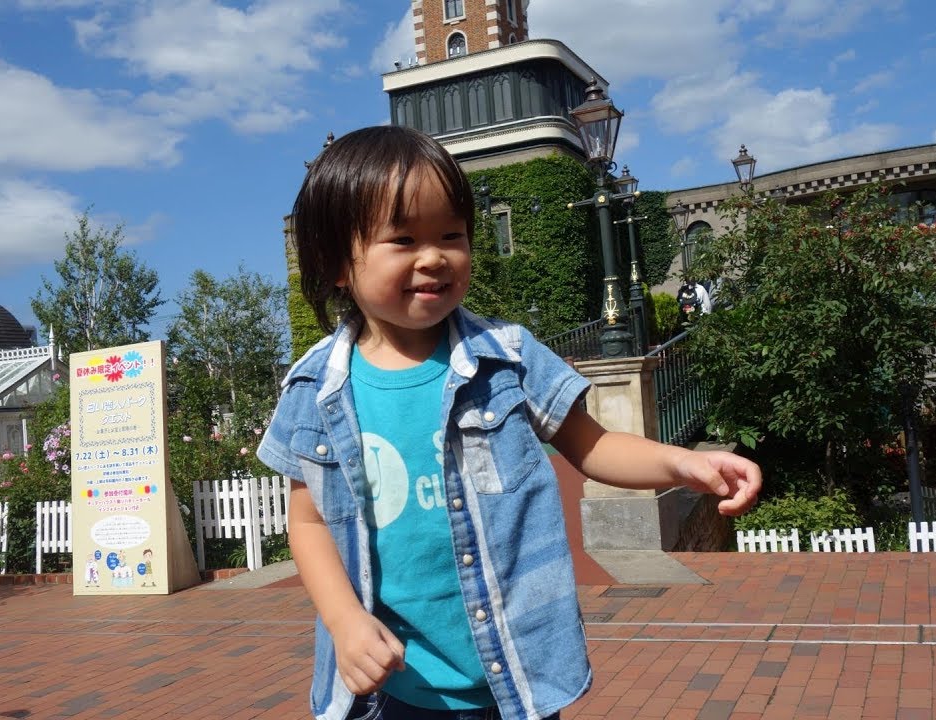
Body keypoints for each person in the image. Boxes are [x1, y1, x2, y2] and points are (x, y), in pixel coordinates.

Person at [257, 126, 762, 720]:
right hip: (388, 687)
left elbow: (592, 445)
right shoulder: (314, 389)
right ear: (339, 263)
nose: (435, 256)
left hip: (515, 675)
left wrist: (681, 463)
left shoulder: (509, 355)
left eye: (452, 234)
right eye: (403, 239)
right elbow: (309, 521)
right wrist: (344, 621)